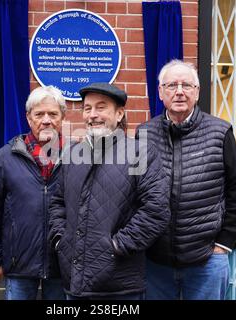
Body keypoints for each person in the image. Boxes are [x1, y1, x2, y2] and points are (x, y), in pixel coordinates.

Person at [138, 60, 236, 300]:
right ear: (160, 92)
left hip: (207, 260)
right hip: (155, 263)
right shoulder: (143, 133)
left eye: (187, 85)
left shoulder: (219, 132)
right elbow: (134, 191)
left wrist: (223, 244)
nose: (179, 91)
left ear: (197, 92)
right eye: (172, 85)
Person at [48, 82, 170, 300]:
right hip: (74, 284)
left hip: (120, 286)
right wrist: (60, 239)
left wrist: (117, 246)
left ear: (119, 113)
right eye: (87, 108)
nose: (92, 115)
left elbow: (156, 210)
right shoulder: (72, 154)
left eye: (101, 107)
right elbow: (57, 201)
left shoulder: (139, 152)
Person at [0, 85, 67, 300]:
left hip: (61, 264)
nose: (46, 120)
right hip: (19, 263)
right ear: (29, 118)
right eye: (39, 114)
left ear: (62, 117)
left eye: (53, 114)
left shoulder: (76, 156)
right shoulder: (6, 157)